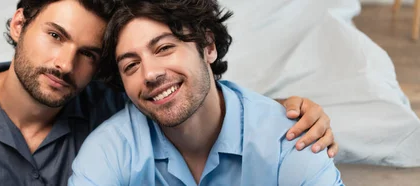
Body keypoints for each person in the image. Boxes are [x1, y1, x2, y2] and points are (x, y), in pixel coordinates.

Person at [0, 0, 337, 185]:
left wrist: (285, 114)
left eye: (88, 53)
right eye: (56, 36)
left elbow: (190, 101)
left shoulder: (112, 108)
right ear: (19, 23)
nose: (66, 63)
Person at [69, 0, 344, 185]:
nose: (150, 74)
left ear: (208, 46)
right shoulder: (108, 150)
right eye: (131, 65)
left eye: (164, 48)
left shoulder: (289, 139)